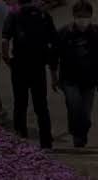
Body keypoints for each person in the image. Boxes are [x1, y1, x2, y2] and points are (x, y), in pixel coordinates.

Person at [2, 0, 58, 149]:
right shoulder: (43, 15)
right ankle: (46, 142)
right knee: (41, 105)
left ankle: (21, 140)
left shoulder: (14, 15)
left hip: (19, 65)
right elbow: (53, 44)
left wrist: (8, 60)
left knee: (20, 103)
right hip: (38, 66)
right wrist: (53, 72)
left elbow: (5, 40)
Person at [52, 0, 98, 147]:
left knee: (85, 113)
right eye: (79, 16)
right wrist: (54, 77)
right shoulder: (64, 33)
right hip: (69, 80)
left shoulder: (96, 33)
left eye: (85, 16)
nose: (82, 19)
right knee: (74, 107)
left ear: (90, 16)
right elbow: (54, 56)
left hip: (90, 81)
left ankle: (80, 136)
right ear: (74, 16)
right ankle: (77, 135)